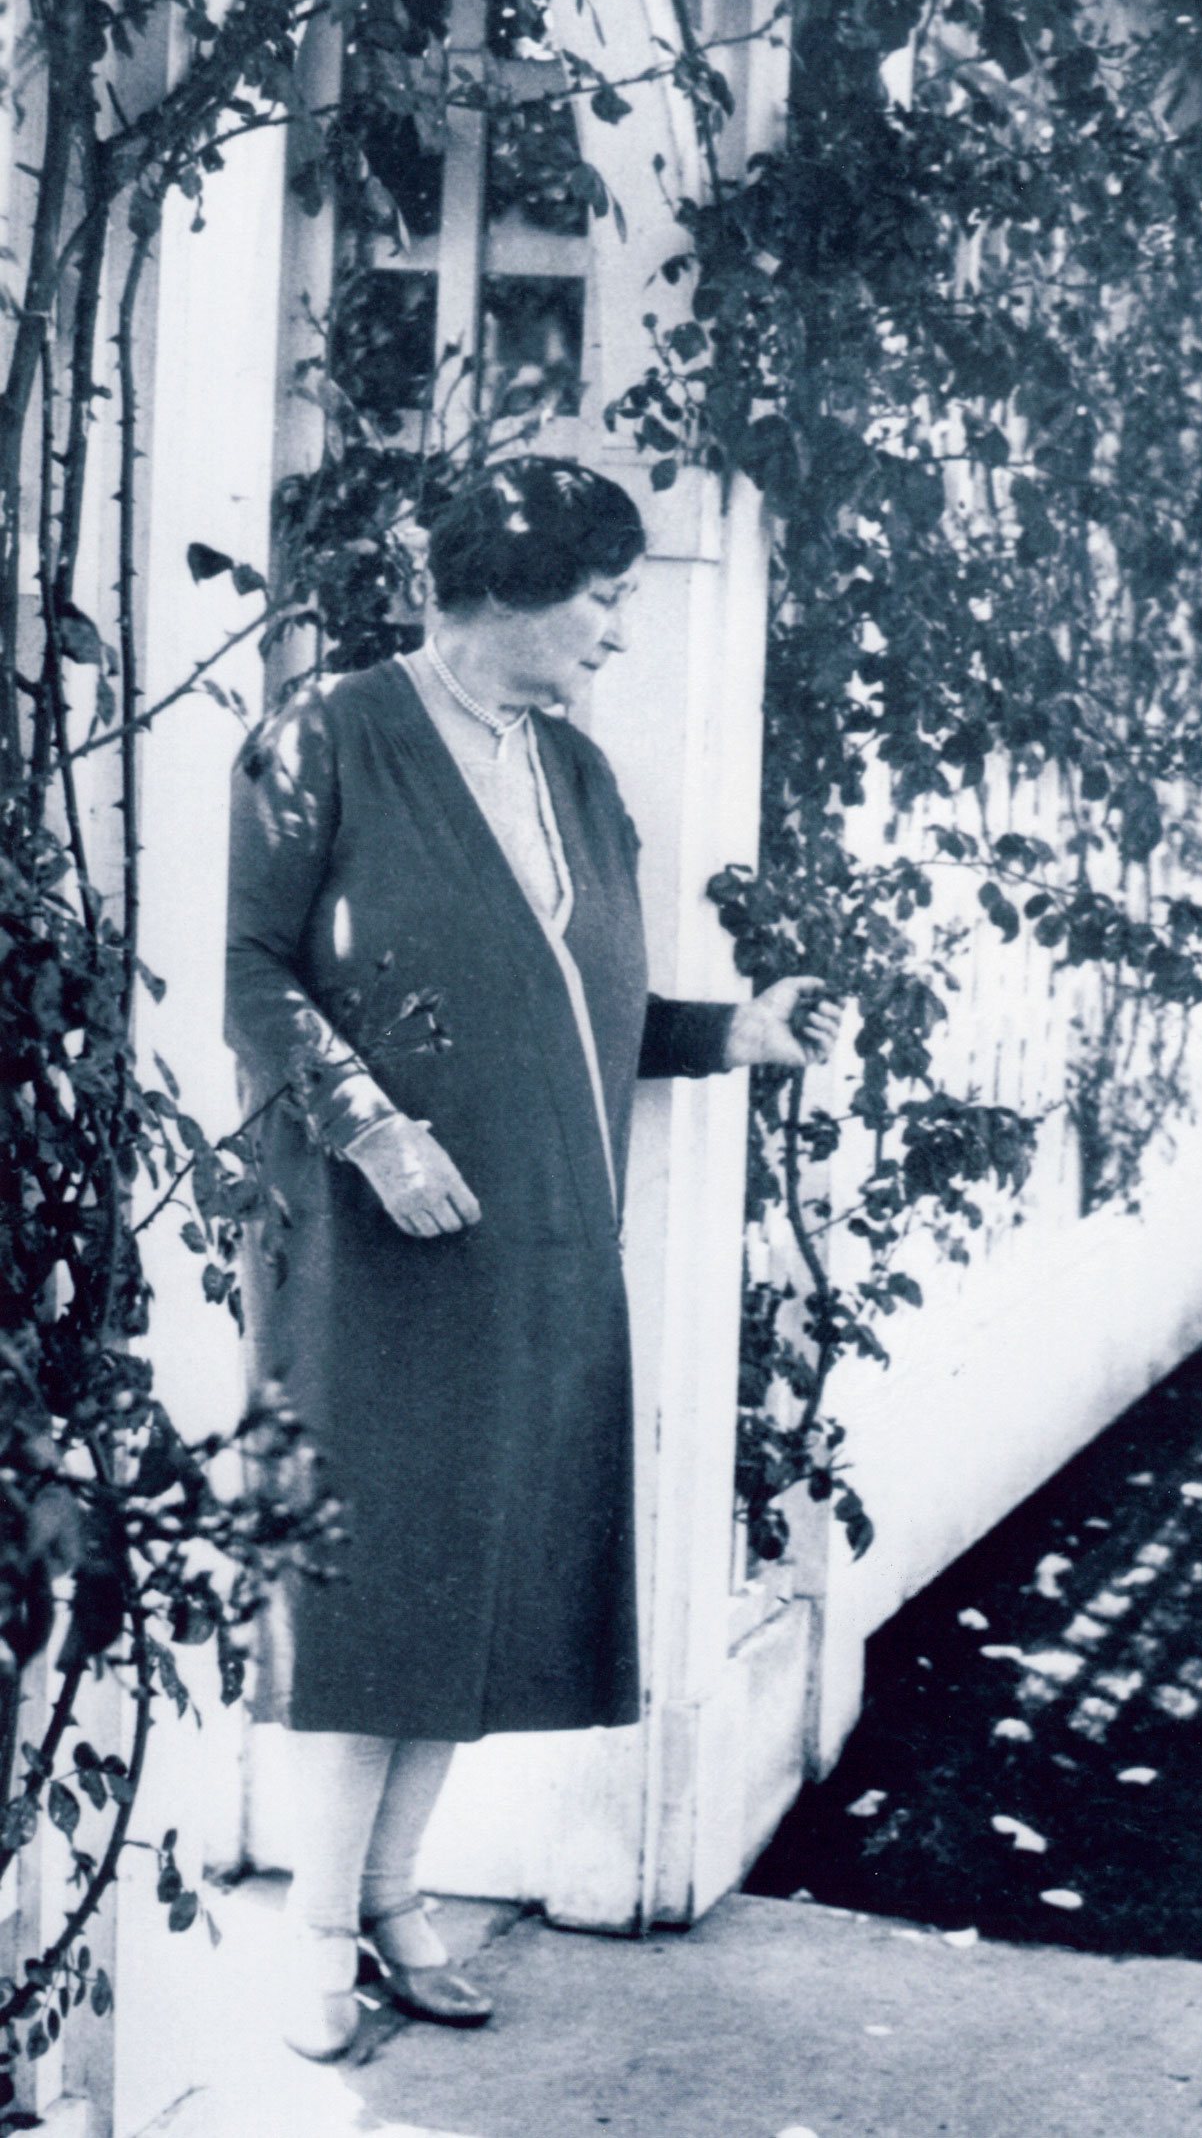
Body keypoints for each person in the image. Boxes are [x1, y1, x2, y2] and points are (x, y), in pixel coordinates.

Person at [225, 459, 837, 2060]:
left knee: (481, 1580)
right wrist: (371, 1129)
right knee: (371, 1584)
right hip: (378, 1243)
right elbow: (246, 965)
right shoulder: (329, 737)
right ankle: (309, 1924)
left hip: (544, 1237)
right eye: (601, 595)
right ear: (501, 590)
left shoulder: (572, 767)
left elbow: (588, 996)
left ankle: (397, 1893)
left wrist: (733, 1032)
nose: (618, 631)